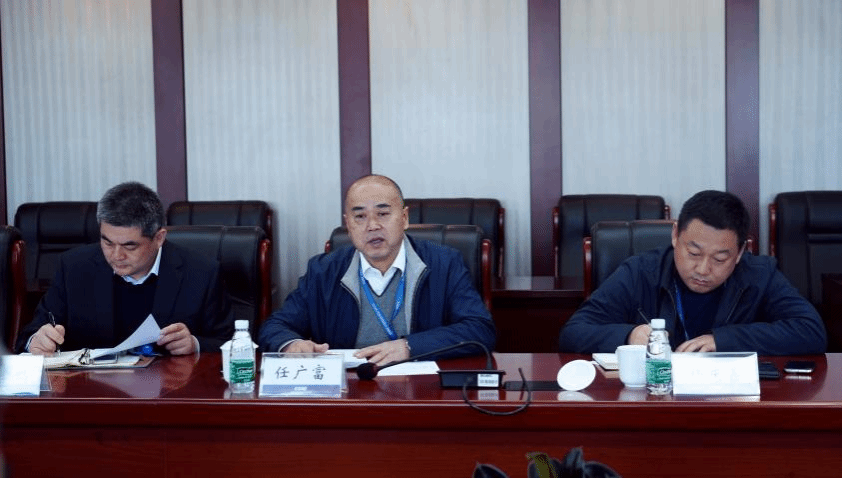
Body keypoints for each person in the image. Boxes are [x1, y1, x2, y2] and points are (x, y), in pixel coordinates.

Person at [258, 174, 496, 365]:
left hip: (420, 389)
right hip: (349, 391)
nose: (372, 226)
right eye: (360, 216)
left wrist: (410, 346)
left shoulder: (444, 264)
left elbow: (479, 329)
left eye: (383, 213)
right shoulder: (323, 271)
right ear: (348, 224)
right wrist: (291, 344)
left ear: (404, 218)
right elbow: (274, 326)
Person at [559, 190, 827, 355]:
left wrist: (724, 341)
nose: (703, 269)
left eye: (720, 258)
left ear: (740, 253)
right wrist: (629, 335)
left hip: (731, 404)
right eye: (694, 253)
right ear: (675, 235)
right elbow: (573, 333)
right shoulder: (640, 271)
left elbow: (812, 331)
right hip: (654, 401)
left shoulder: (760, 275)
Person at [15, 182, 233, 355]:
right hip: (92, 390)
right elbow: (29, 335)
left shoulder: (201, 273)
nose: (116, 255)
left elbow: (231, 343)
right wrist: (36, 341)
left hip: (169, 391)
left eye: (129, 246)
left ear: (159, 238)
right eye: (107, 242)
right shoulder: (74, 268)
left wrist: (195, 344)